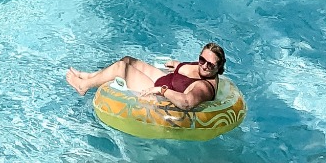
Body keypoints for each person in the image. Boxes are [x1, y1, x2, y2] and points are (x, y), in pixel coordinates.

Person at [67, 43, 226, 108]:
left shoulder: (204, 87)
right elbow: (191, 71)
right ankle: (90, 76)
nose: (204, 65)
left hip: (159, 96)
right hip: (163, 81)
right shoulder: (200, 67)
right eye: (201, 59)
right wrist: (179, 65)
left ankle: (83, 86)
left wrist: (161, 91)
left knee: (121, 68)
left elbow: (186, 103)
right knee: (128, 60)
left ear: (219, 67)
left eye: (210, 64)